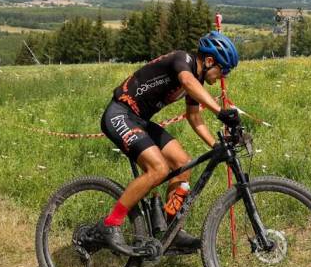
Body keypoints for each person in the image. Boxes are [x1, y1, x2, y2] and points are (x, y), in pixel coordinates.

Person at [97, 30, 242, 255]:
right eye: (223, 70)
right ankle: (110, 224)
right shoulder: (182, 60)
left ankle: (171, 232)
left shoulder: (197, 80)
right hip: (119, 114)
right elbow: (186, 81)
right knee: (158, 169)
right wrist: (220, 112)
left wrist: (216, 145)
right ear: (209, 61)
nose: (223, 76)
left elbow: (194, 117)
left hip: (139, 120)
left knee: (183, 164)